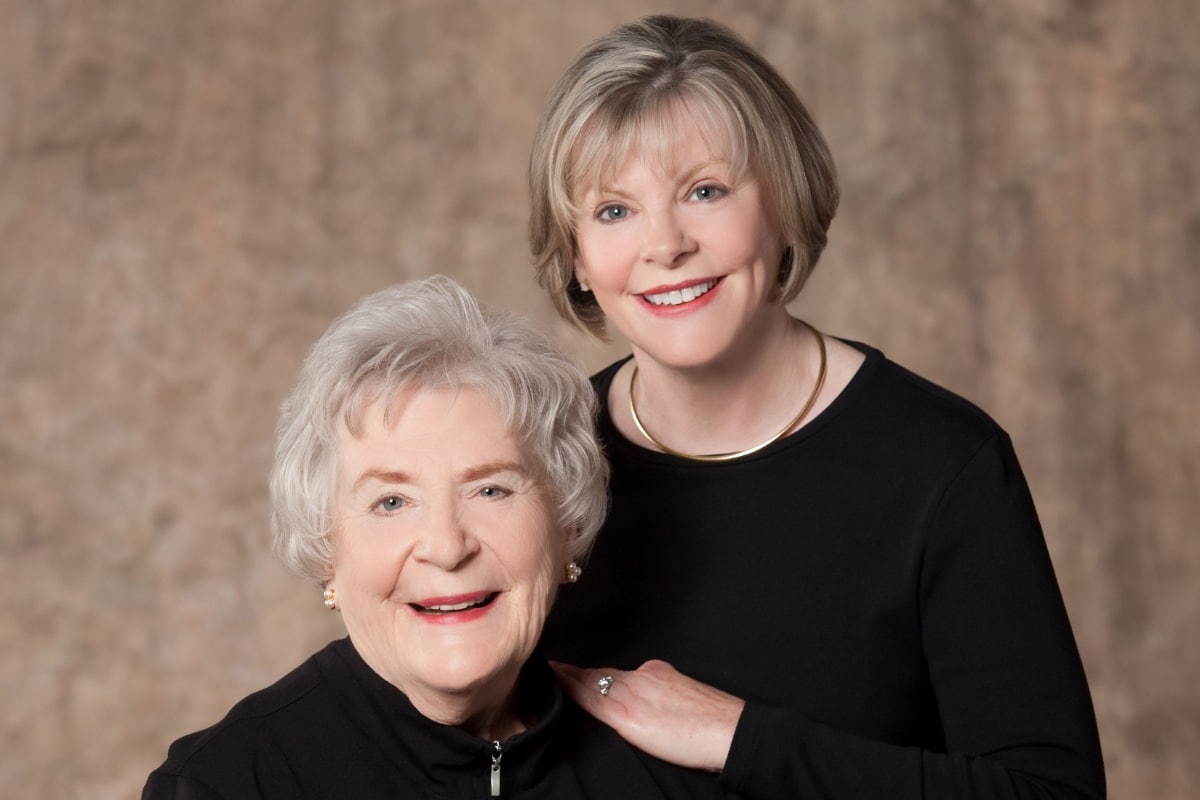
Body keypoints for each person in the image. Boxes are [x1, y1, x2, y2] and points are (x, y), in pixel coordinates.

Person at [530, 14, 1106, 799]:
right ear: (577, 260)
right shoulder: (538, 463)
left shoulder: (943, 467)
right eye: (613, 210)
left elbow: (1051, 792)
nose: (664, 245)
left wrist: (739, 736)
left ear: (783, 205)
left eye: (705, 190)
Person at [142, 276, 725, 799]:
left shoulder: (658, 771)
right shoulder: (228, 785)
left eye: (491, 490)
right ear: (327, 551)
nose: (447, 547)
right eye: (391, 502)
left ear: (566, 524)